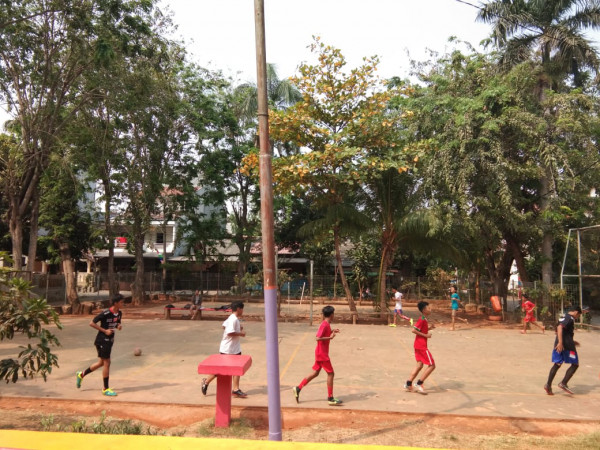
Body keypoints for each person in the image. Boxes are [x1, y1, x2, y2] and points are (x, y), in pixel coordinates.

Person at [292, 305, 343, 406]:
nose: (334, 315)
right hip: (322, 354)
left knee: (315, 373)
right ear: (331, 314)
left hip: (320, 353)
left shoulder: (327, 324)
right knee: (331, 374)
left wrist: (332, 331)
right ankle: (330, 398)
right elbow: (318, 337)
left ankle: (298, 388)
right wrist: (330, 337)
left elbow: (324, 333)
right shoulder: (324, 324)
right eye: (334, 314)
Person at [76, 294, 124, 396]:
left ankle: (81, 374)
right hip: (102, 340)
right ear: (116, 303)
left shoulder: (119, 313)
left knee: (101, 363)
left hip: (110, 340)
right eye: (121, 302)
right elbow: (92, 323)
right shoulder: (106, 313)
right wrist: (104, 331)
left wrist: (118, 326)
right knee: (107, 362)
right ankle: (105, 389)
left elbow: (116, 323)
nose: (122, 303)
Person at [201, 301, 248, 398]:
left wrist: (238, 327)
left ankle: (235, 389)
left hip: (234, 348)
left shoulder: (232, 318)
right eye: (242, 309)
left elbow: (224, 326)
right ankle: (206, 381)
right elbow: (229, 333)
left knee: (236, 368)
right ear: (239, 309)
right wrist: (240, 333)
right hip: (228, 349)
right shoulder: (233, 319)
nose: (243, 311)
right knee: (221, 370)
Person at [544, 306, 582, 395]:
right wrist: (562, 342)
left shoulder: (563, 317)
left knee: (557, 364)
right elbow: (560, 328)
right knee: (575, 364)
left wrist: (565, 340)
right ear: (576, 313)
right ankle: (563, 383)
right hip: (567, 347)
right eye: (578, 315)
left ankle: (548, 385)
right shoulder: (570, 318)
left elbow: (557, 330)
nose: (577, 317)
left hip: (558, 345)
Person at [404, 301, 435, 395]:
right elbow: (414, 330)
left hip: (418, 345)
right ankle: (419, 383)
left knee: (419, 365)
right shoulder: (422, 319)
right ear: (424, 310)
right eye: (429, 308)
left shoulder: (424, 319)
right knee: (432, 365)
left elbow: (420, 329)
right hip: (421, 346)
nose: (430, 309)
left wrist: (429, 328)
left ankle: (408, 384)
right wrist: (426, 335)